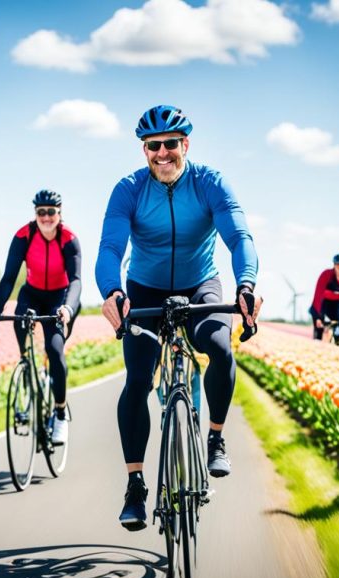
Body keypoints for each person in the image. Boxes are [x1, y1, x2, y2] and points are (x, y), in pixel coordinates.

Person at [96, 105, 262, 531]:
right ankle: (135, 485)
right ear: (144, 150)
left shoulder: (209, 183)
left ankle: (215, 436)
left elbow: (239, 236)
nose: (163, 153)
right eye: (154, 146)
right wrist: (113, 293)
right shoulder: (128, 189)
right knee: (137, 380)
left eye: (171, 144)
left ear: (185, 144)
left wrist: (245, 285)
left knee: (221, 349)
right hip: (144, 290)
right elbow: (110, 248)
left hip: (200, 286)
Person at [0, 190, 82, 445]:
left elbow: (75, 281)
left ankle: (60, 412)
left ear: (60, 213)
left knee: (54, 349)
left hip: (59, 298)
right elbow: (8, 278)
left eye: (51, 212)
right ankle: (28, 369)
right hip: (31, 293)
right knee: (21, 326)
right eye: (41, 212)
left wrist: (68, 310)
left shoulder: (69, 239)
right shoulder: (23, 236)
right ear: (35, 214)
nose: (46, 217)